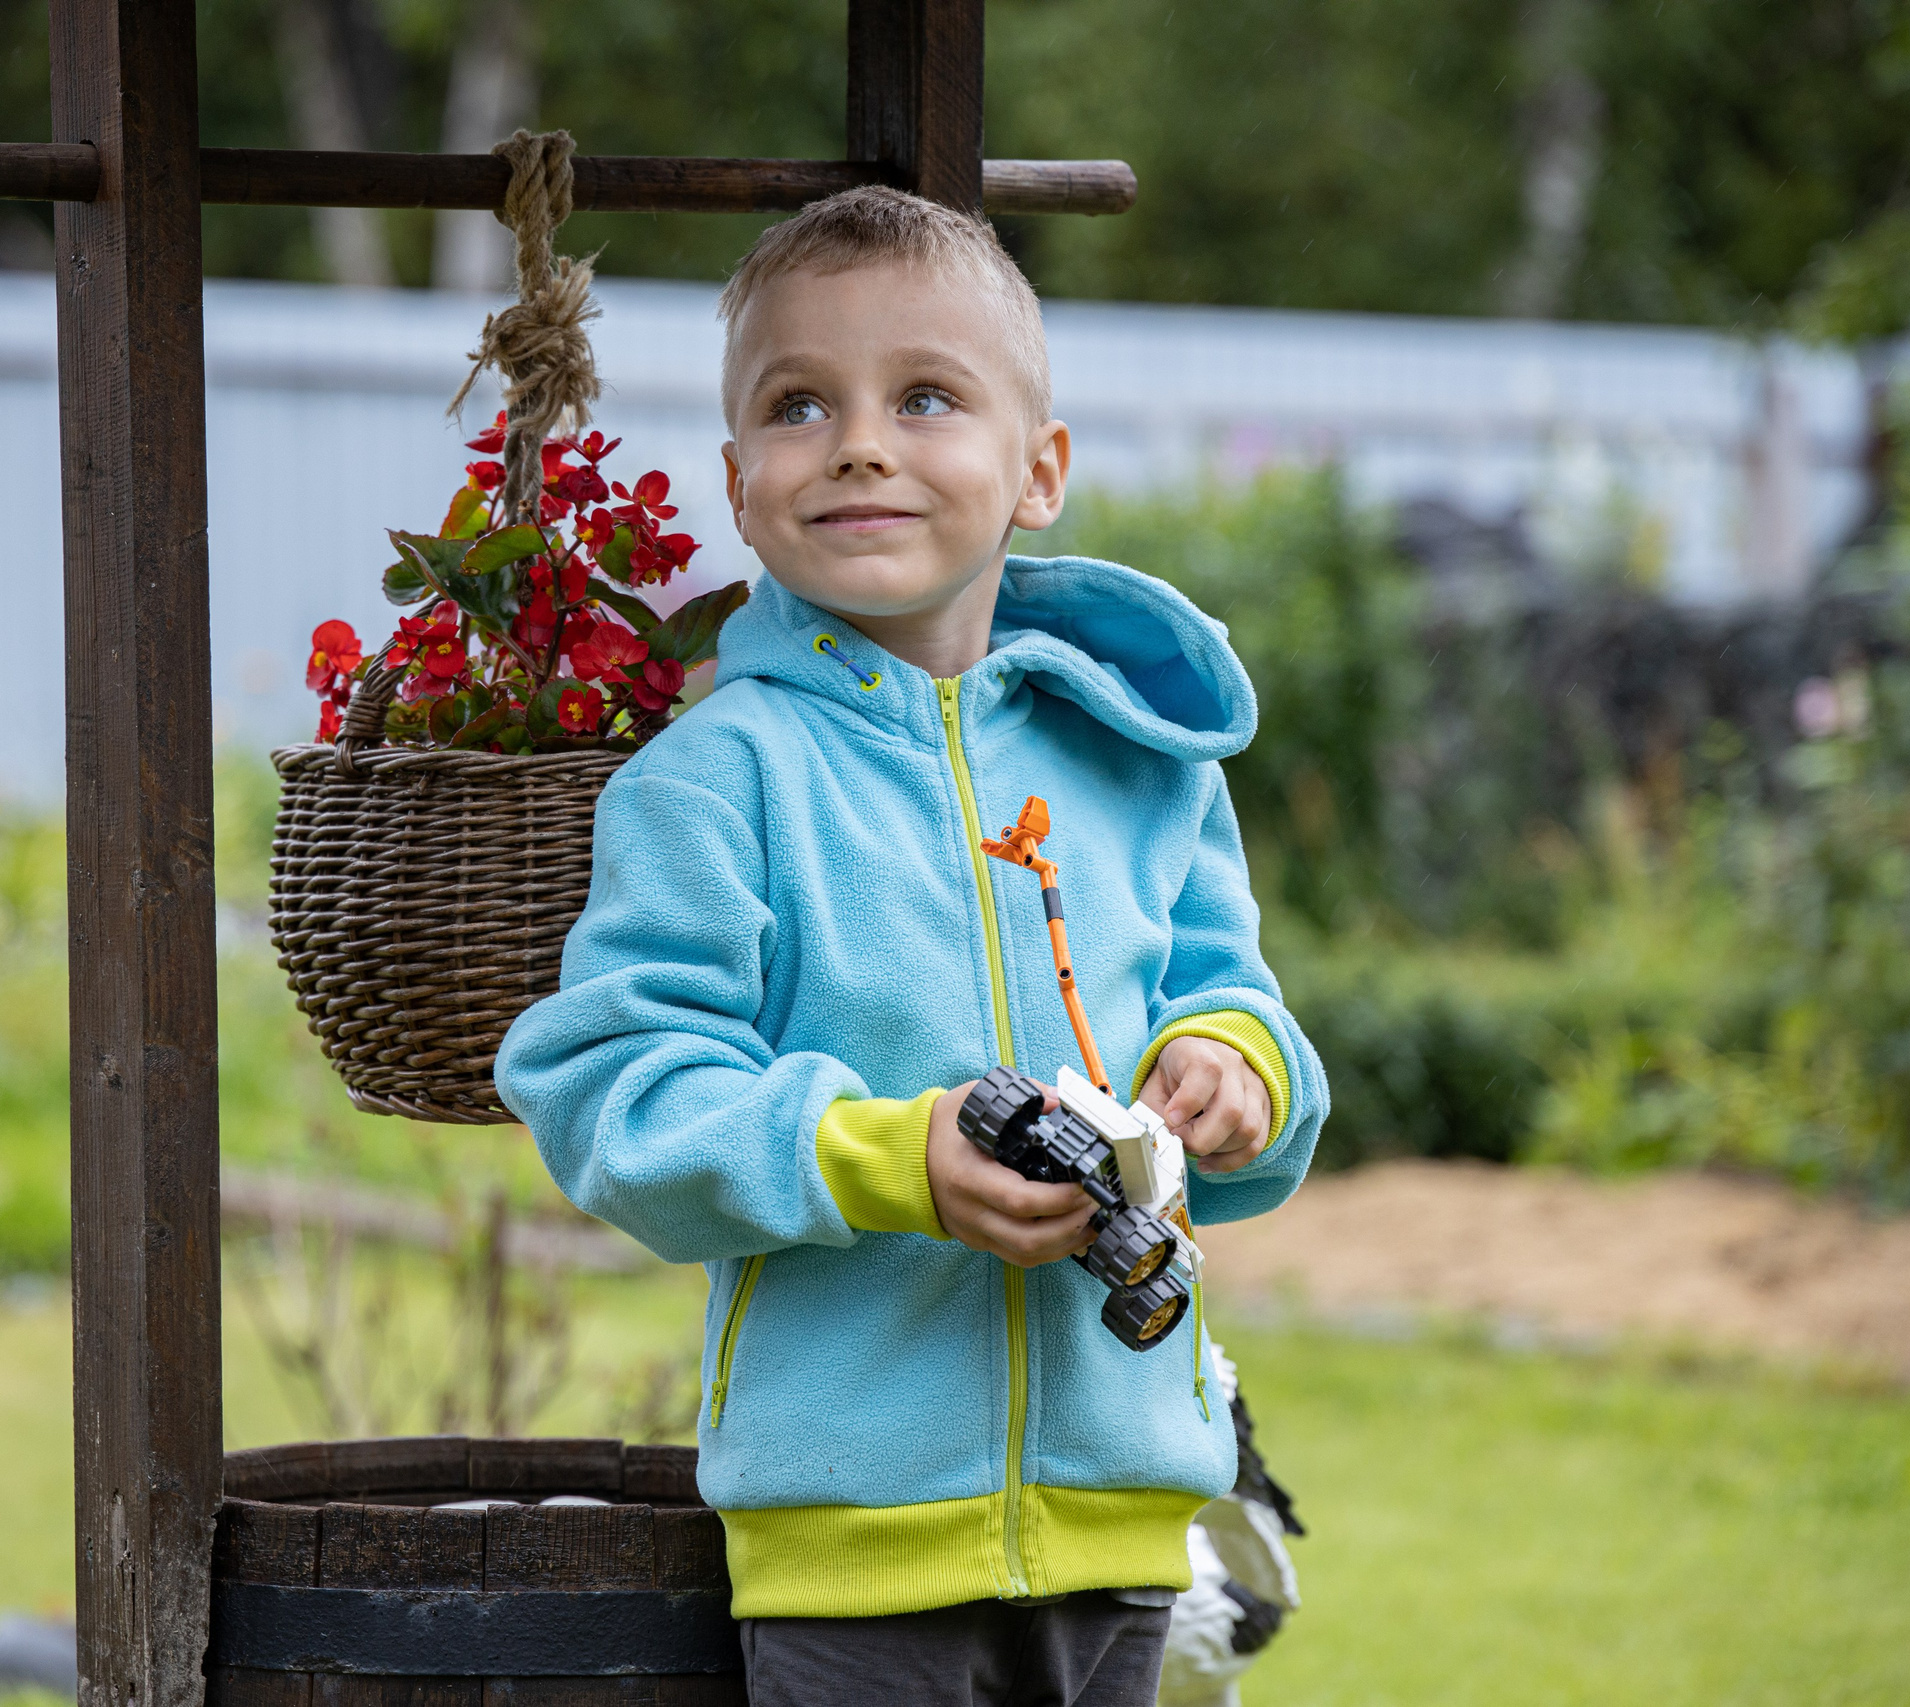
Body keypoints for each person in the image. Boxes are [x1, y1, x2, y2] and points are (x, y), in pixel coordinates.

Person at [495, 185, 1328, 1707]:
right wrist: (891, 1158)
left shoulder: (1142, 761)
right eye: (799, 404)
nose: (861, 442)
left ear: (1039, 470)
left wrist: (1234, 1070)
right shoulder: (714, 780)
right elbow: (611, 1091)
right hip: (850, 1535)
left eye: (926, 396)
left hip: (1119, 1514)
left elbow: (1234, 999)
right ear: (741, 485)